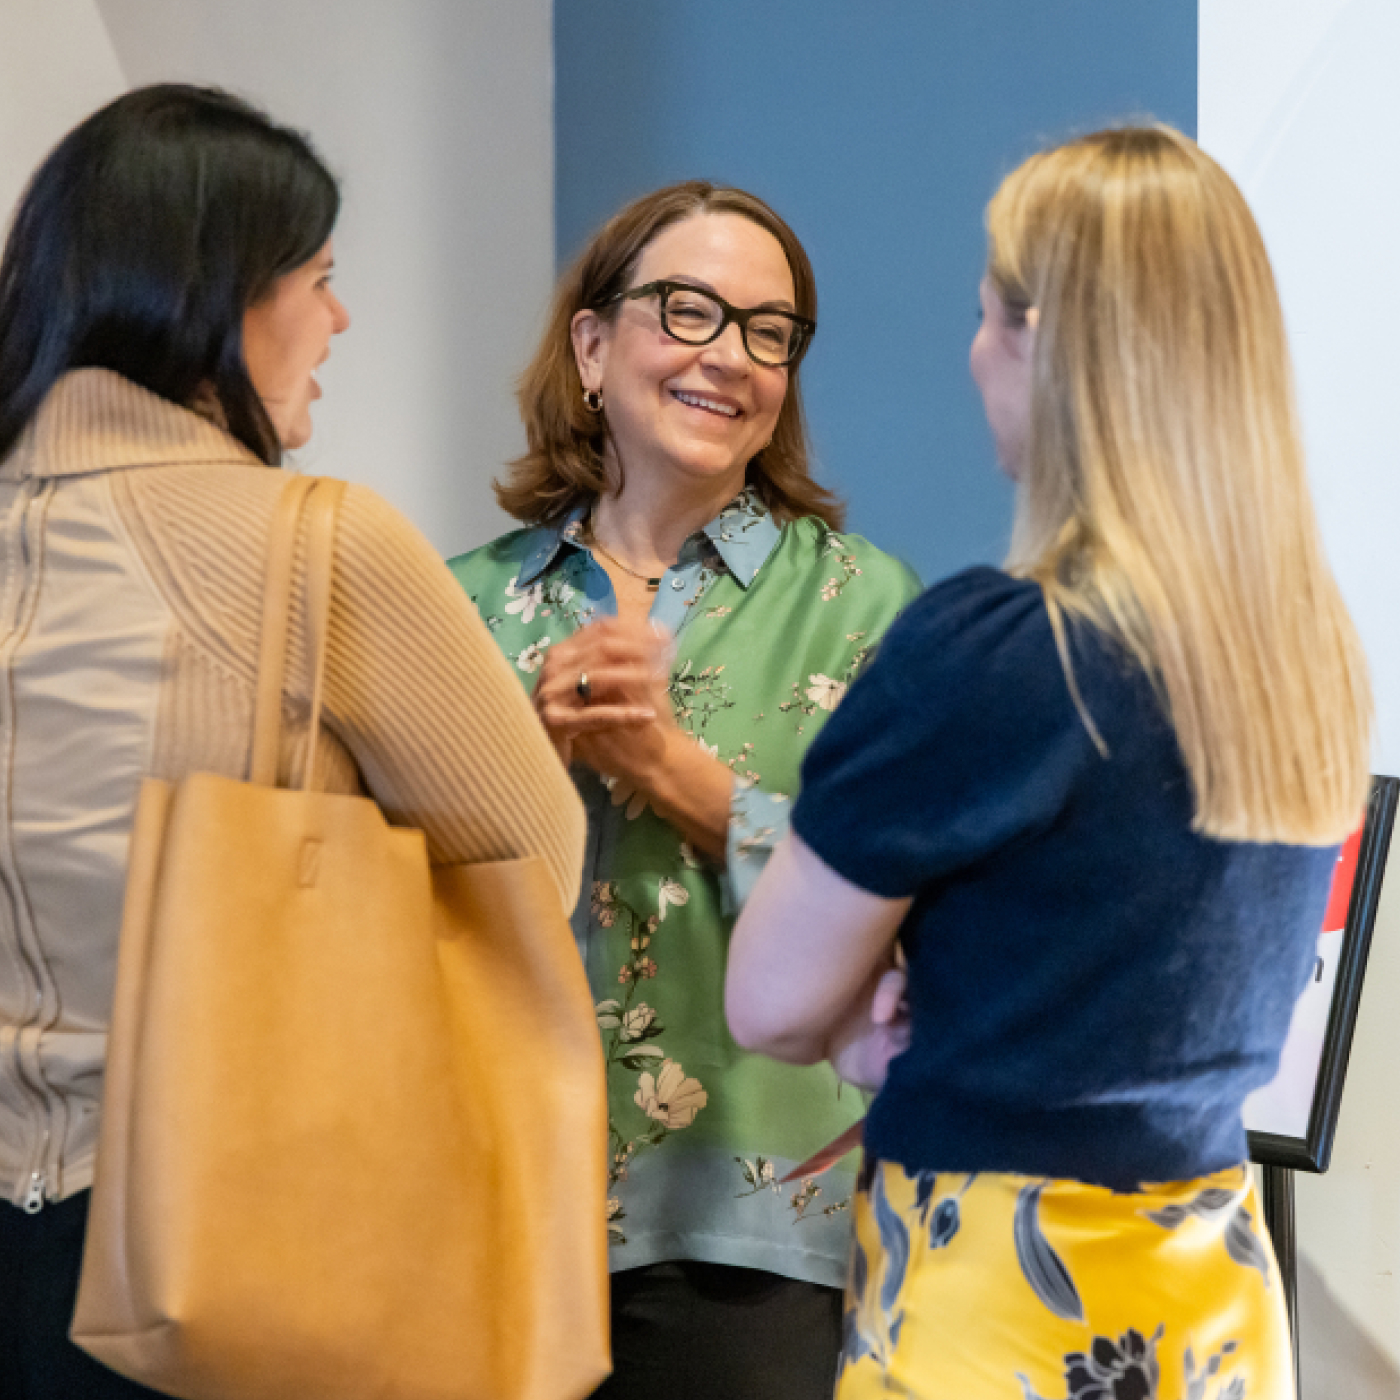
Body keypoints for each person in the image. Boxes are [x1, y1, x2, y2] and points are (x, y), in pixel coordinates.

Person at [726, 125, 1371, 1400]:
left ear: (1044, 343)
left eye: (982, 316)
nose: (971, 356)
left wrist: (878, 1017)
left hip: (1003, 1297)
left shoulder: (1002, 654)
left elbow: (771, 1001)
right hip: (1212, 1304)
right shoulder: (1303, 659)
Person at [0, 85, 584, 1399]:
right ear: (218, 298)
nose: (339, 319)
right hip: (232, 1249)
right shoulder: (315, 544)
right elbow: (526, 866)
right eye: (318, 279)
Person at [449, 181, 920, 1399]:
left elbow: (911, 918)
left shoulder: (869, 608)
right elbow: (381, 905)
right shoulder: (452, 606)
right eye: (689, 310)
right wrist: (522, 768)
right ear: (592, 345)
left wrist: (669, 771)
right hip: (482, 1208)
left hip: (758, 1232)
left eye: (770, 331)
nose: (731, 355)